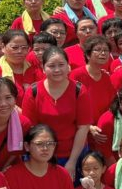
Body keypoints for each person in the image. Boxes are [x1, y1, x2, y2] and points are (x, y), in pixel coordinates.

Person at [21, 46, 93, 175]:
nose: (57, 70)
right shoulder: (33, 92)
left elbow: (83, 127)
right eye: (51, 66)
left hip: (73, 152)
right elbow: (30, 129)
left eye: (61, 65)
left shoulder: (79, 90)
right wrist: (40, 157)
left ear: (68, 66)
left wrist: (72, 161)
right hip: (41, 155)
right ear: (43, 68)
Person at [71, 34, 117, 137]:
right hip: (81, 131)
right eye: (98, 50)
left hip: (101, 131)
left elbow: (111, 105)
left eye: (106, 50)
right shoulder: (76, 75)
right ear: (88, 55)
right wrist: (89, 127)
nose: (103, 53)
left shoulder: (106, 77)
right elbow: (71, 105)